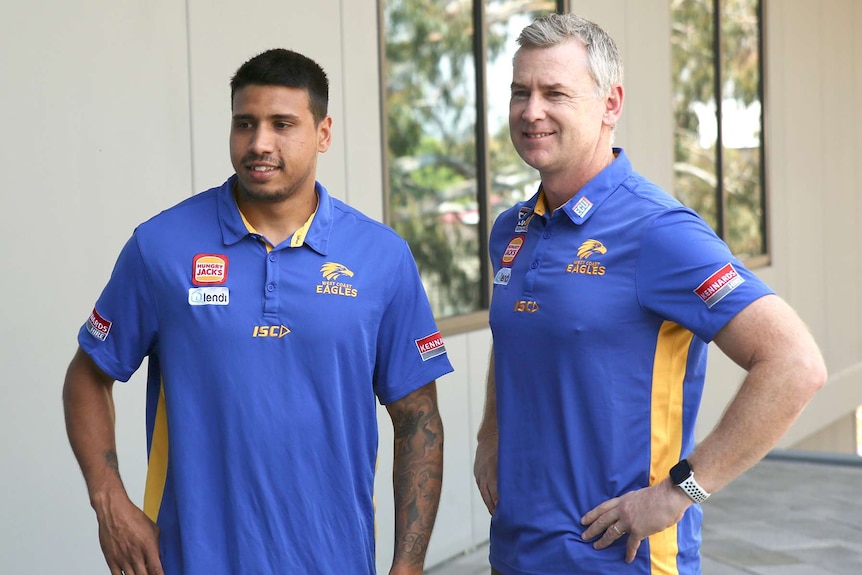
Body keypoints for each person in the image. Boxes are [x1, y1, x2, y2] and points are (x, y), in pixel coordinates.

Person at [63, 48, 453, 575]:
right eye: (244, 124)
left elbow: (418, 419)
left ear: (323, 132)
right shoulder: (161, 247)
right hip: (191, 560)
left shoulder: (382, 258)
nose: (259, 143)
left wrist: (407, 567)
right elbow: (88, 375)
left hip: (335, 561)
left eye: (281, 124)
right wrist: (108, 502)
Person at [473, 12, 826, 575]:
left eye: (555, 92)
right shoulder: (511, 230)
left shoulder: (658, 231)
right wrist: (490, 430)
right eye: (521, 92)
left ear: (611, 104)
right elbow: (514, 331)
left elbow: (794, 365)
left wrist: (679, 492)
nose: (531, 110)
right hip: (516, 551)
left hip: (622, 562)